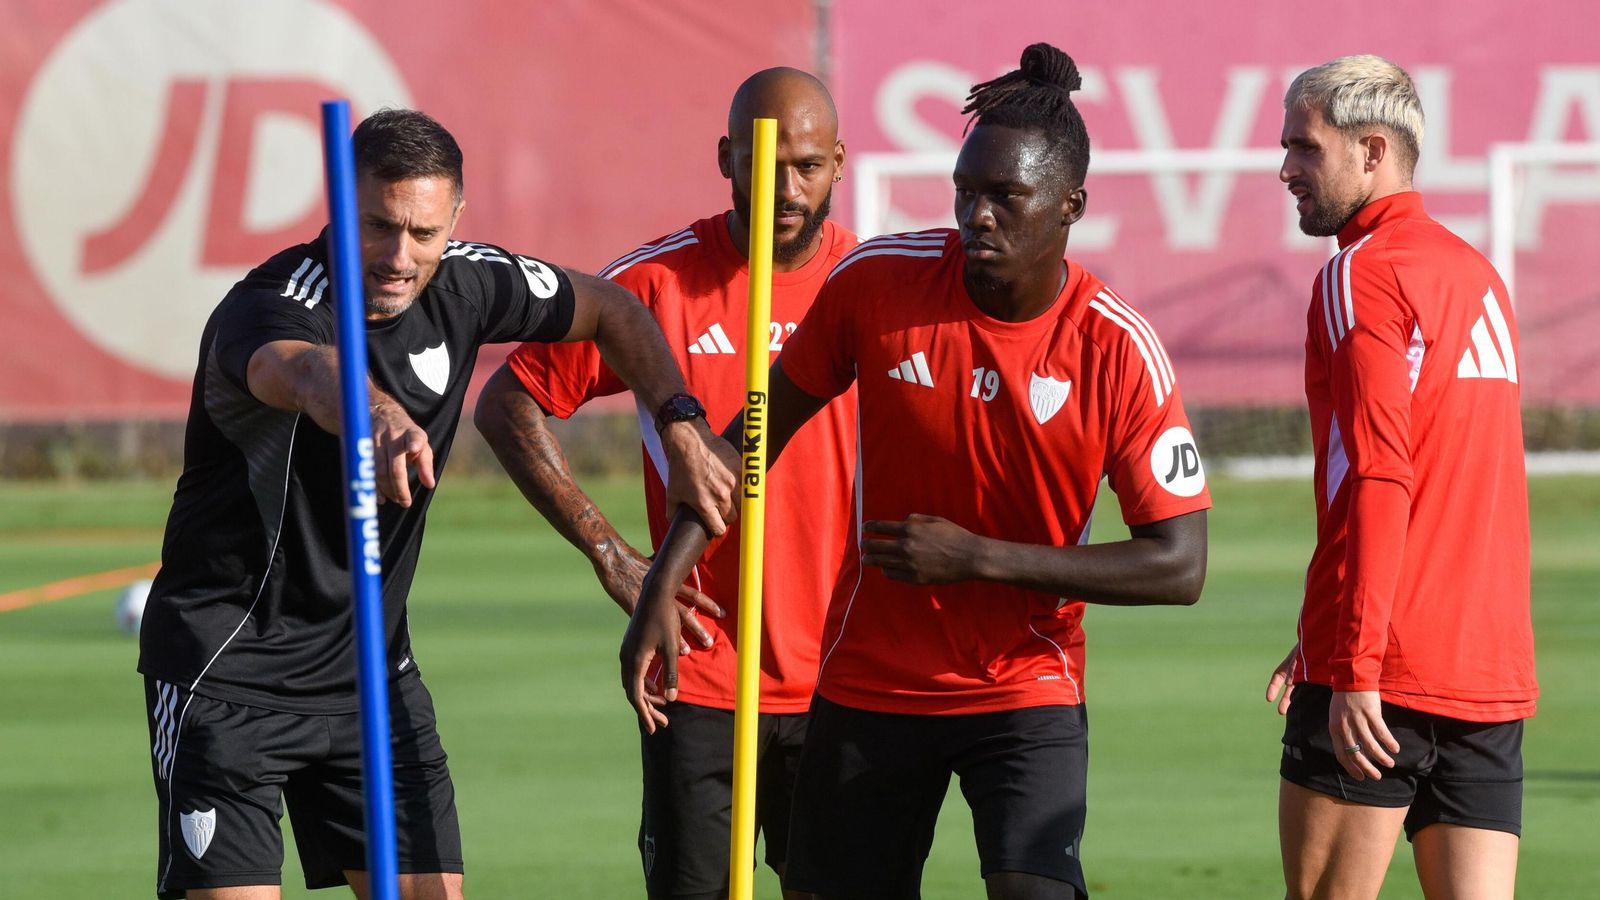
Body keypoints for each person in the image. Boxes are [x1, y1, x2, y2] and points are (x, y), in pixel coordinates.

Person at [623, 44, 1211, 900]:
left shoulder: (1117, 349)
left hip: (1024, 683)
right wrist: (660, 587)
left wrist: (979, 557)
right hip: (869, 683)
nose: (977, 217)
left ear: (1070, 206)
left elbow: (1179, 565)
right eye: (966, 194)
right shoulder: (879, 284)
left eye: (1005, 199)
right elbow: (750, 439)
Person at [136, 108, 737, 900]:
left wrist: (681, 425)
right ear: (340, 209)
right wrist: (379, 417)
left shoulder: (470, 280)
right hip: (229, 676)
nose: (398, 257)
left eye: (423, 232)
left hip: (374, 679)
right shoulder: (271, 304)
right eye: (378, 227)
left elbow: (616, 311)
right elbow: (308, 371)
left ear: (455, 216)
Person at [474, 68, 855, 899]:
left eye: (807, 165)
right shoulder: (654, 286)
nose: (786, 188)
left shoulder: (869, 287)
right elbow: (508, 403)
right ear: (726, 157)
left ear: (838, 164)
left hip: (846, 678)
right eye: (762, 162)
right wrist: (609, 550)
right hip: (700, 671)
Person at [1266, 55, 1538, 900]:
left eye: (1304, 148)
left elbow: (1383, 475)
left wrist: (1353, 660)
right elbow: (1461, 479)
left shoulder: (1362, 273)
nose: (1286, 170)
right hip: (1487, 676)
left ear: (1371, 150)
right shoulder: (1475, 274)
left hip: (1383, 676)